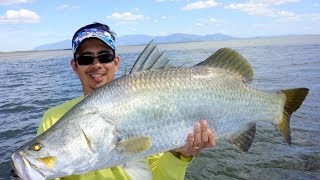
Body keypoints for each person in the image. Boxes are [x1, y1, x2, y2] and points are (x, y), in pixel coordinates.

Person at [36, 22, 215, 180]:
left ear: (116, 62)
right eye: (85, 58)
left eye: (105, 56)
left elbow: (156, 177)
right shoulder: (53, 118)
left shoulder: (150, 106)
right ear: (75, 66)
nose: (96, 64)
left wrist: (178, 155)